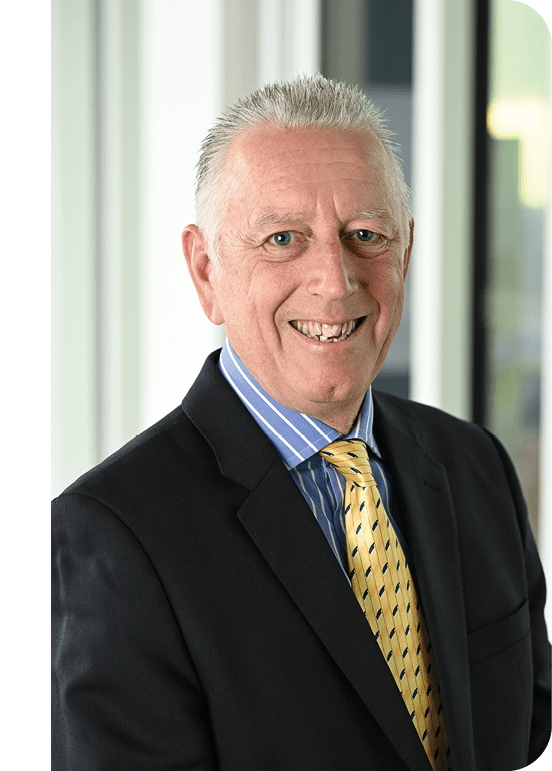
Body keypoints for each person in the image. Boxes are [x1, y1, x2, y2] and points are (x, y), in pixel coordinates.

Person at [52, 75, 551, 771]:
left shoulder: (475, 465)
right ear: (206, 271)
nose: (335, 280)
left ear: (405, 252)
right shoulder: (110, 539)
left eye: (365, 235)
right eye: (283, 238)